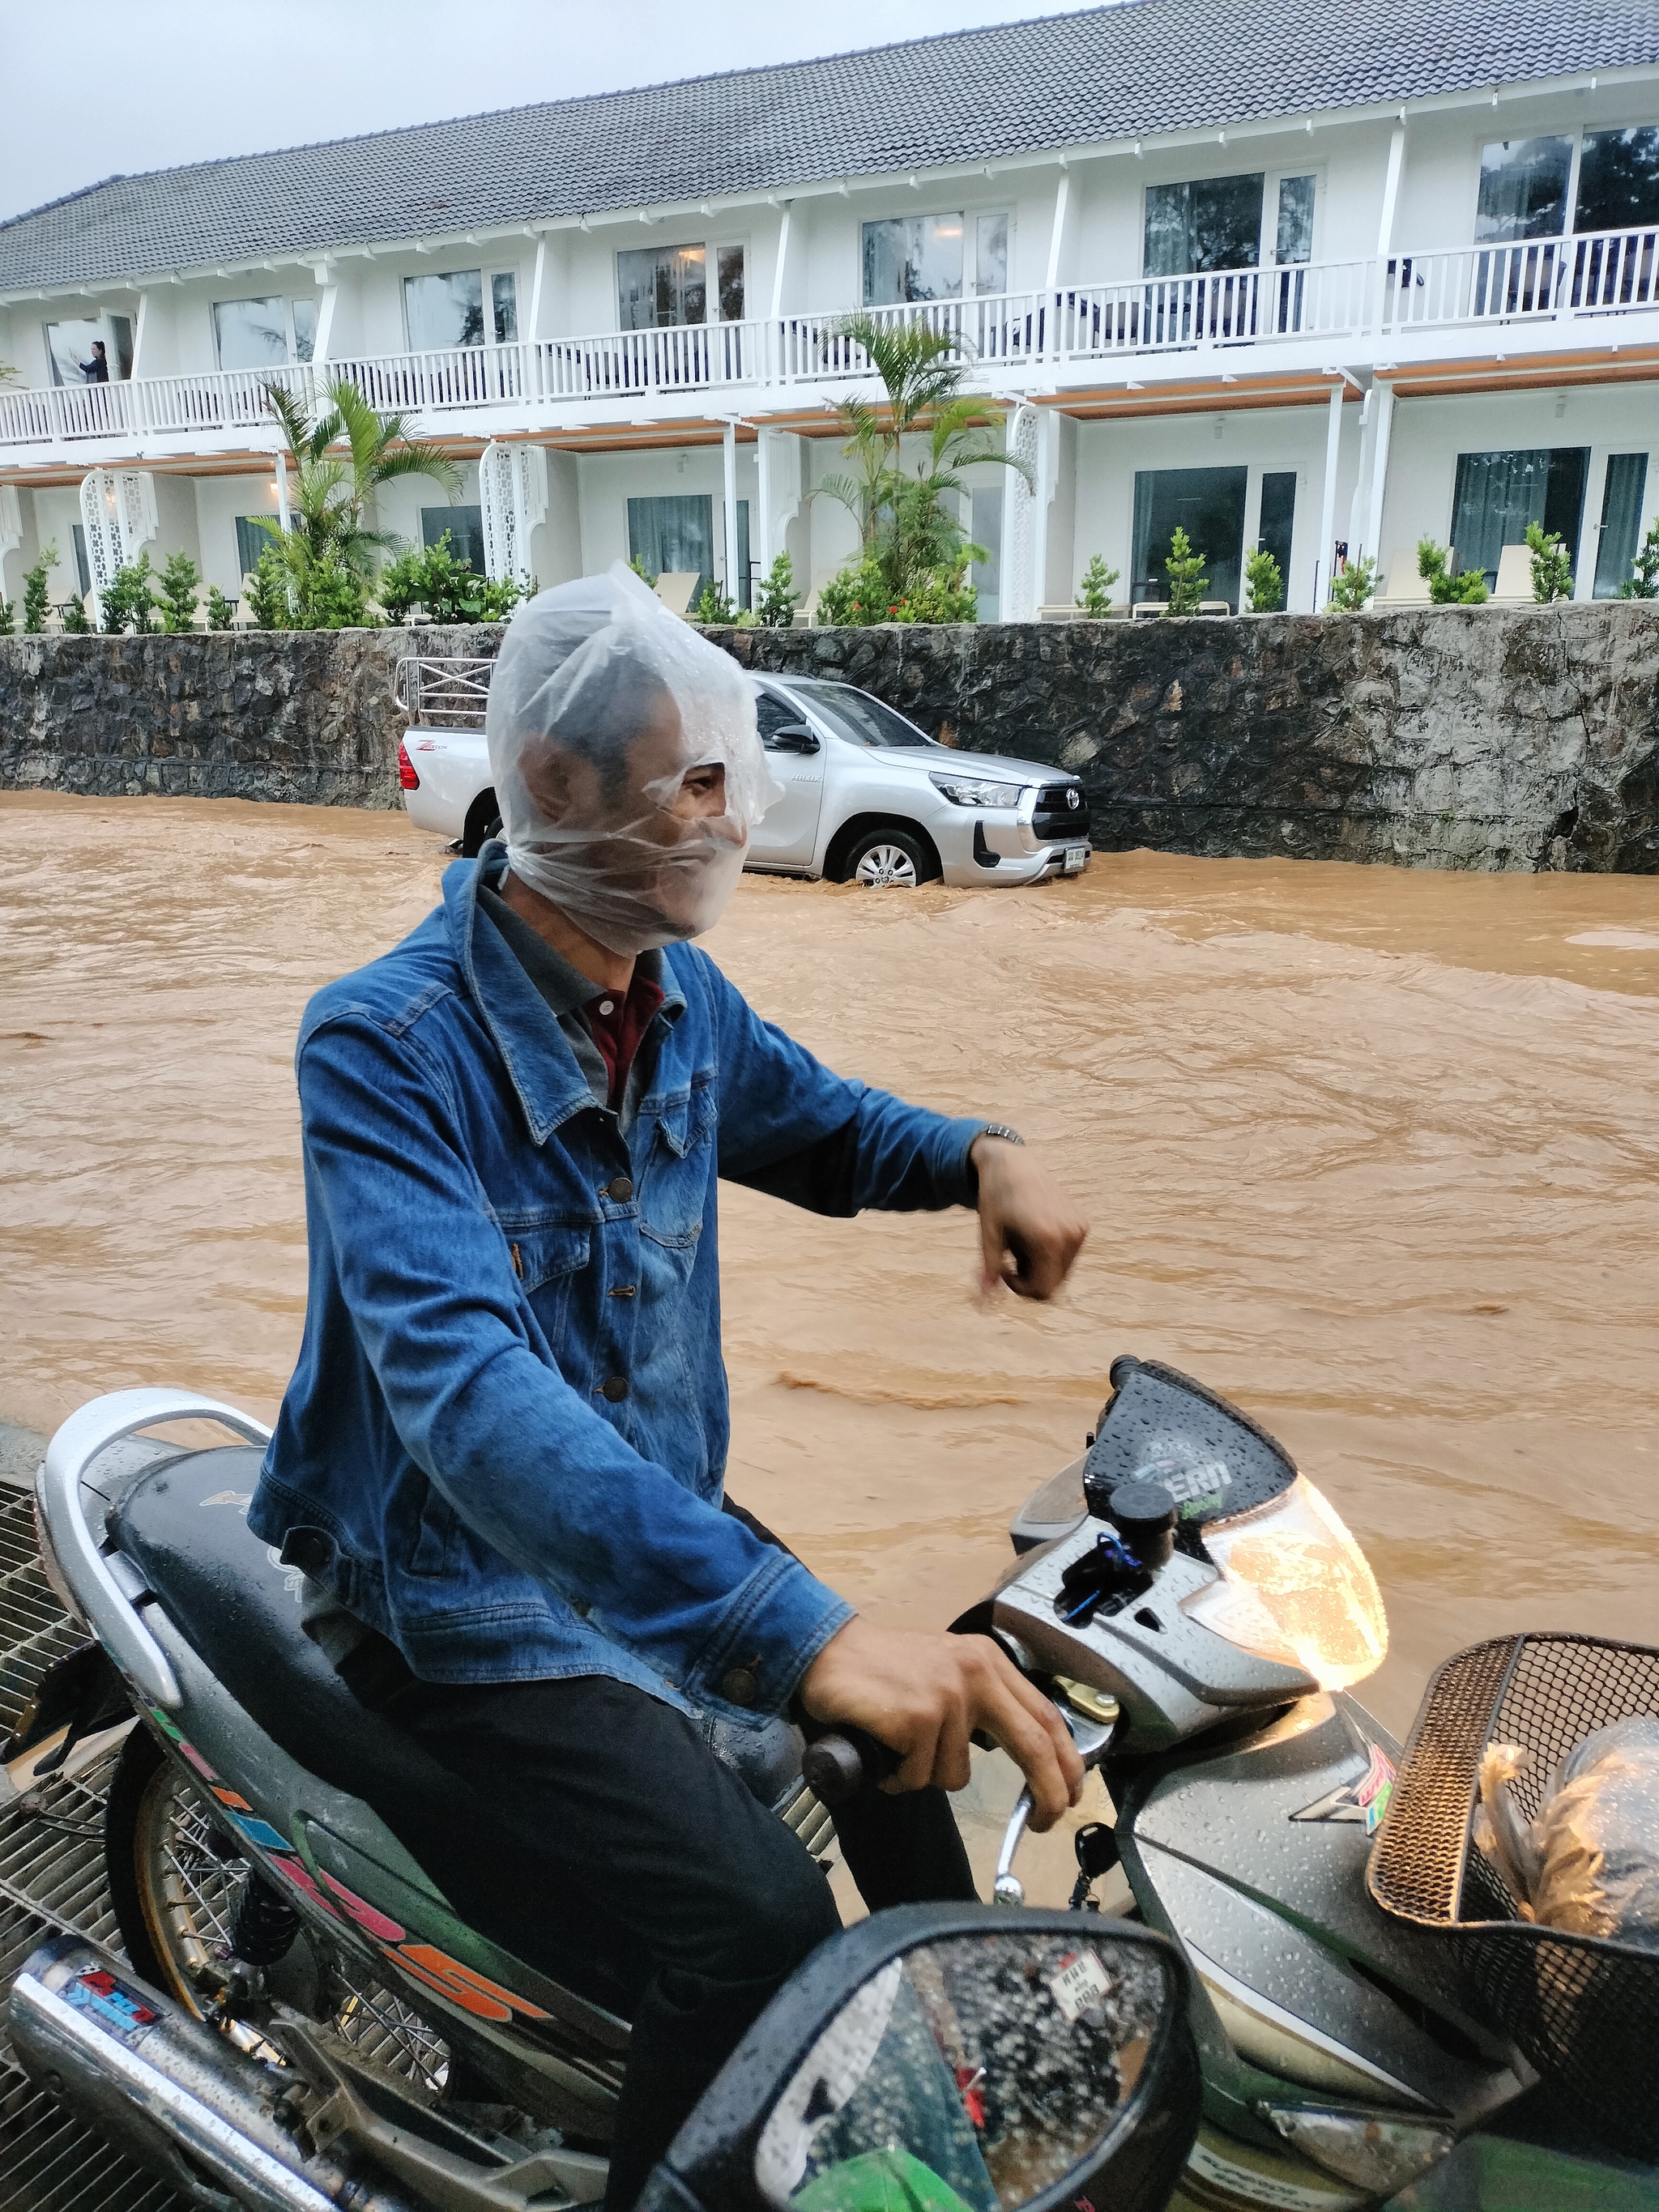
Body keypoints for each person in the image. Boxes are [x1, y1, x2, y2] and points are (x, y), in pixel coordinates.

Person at [249, 564, 1089, 2207]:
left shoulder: (673, 995)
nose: (733, 814)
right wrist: (808, 1635)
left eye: (734, 775)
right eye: (700, 779)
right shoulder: (380, 1046)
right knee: (757, 1922)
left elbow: (827, 1124)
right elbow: (470, 1399)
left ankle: (949, 2100)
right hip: (457, 1595)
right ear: (561, 787)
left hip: (651, 1523)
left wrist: (980, 1152)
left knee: (907, 1747)